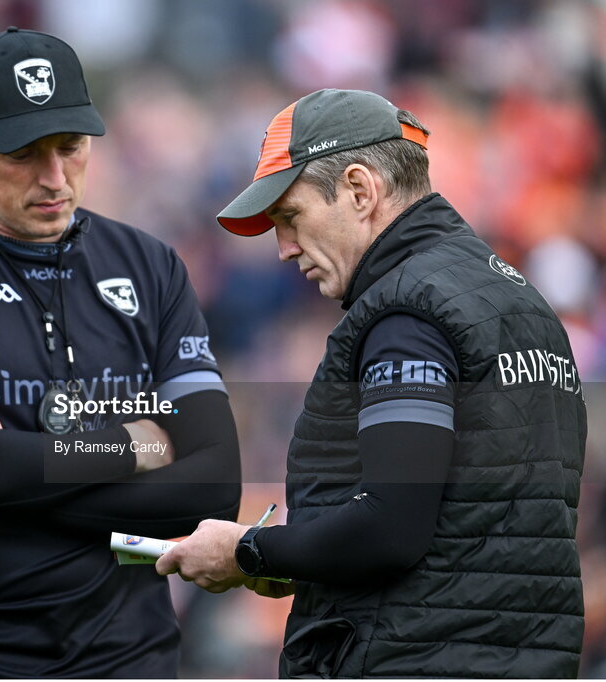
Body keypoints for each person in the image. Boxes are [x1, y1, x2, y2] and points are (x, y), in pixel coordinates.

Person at [157, 88, 587, 678]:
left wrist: (246, 552)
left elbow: (391, 527)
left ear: (360, 190)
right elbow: (470, 528)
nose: (282, 249)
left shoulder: (407, 313)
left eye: (290, 217)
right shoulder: (519, 300)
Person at [0, 27, 241, 678]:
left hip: (130, 653)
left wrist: (11, 462)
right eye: (25, 154)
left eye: (70, 148)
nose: (54, 178)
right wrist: (139, 444)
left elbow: (212, 486)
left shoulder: (149, 267)